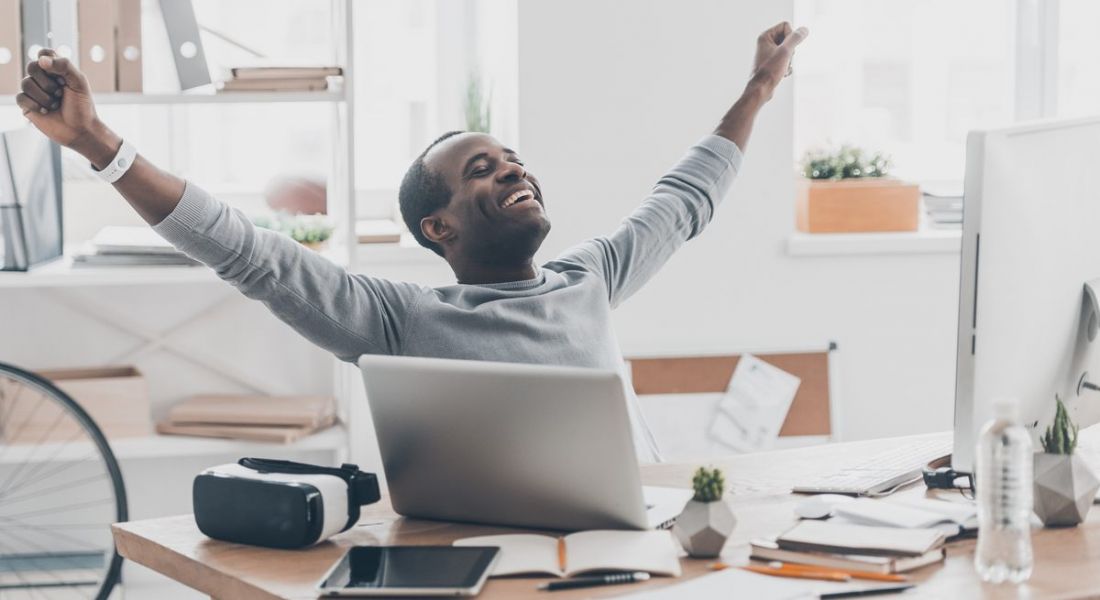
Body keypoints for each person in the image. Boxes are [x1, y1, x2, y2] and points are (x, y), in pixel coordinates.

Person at [16, 22, 808, 461]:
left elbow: (686, 197)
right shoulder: (398, 320)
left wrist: (759, 89)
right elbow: (246, 251)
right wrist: (97, 143)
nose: (513, 171)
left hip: (637, 541)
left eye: (514, 161)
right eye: (483, 170)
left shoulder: (589, 278)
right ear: (440, 227)